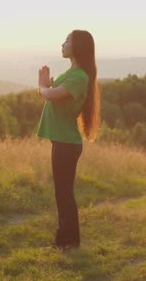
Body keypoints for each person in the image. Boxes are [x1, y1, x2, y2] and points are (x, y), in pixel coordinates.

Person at [37, 29, 101, 251]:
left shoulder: (79, 76)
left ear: (77, 47)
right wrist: (50, 85)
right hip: (62, 141)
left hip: (66, 143)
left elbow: (50, 95)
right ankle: (68, 240)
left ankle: (67, 241)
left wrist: (43, 85)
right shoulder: (74, 73)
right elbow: (57, 95)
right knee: (63, 192)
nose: (62, 44)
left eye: (67, 41)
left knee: (63, 193)